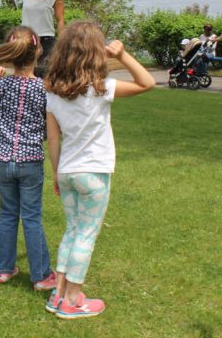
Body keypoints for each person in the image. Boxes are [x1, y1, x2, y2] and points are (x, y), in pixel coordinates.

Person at [43, 20, 155, 319]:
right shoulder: (101, 87)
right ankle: (72, 299)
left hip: (67, 170)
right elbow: (148, 83)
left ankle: (58, 295)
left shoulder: (51, 90)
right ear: (95, 53)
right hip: (93, 172)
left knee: (72, 231)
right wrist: (123, 55)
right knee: (86, 234)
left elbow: (53, 138)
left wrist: (56, 173)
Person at [0, 26, 57, 291]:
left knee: (8, 214)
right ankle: (41, 275)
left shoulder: (2, 84)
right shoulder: (43, 89)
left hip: (3, 160)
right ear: (39, 52)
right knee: (31, 217)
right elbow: (54, 126)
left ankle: (3, 268)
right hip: (31, 160)